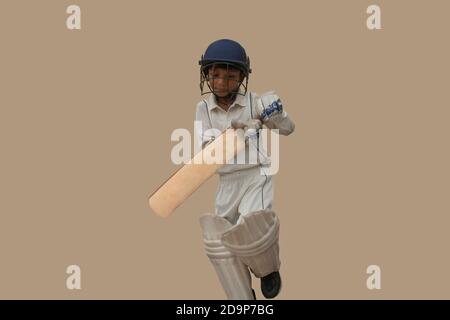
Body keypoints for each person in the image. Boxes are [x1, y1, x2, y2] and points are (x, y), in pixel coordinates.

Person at [195, 39, 295, 299]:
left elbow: (288, 129)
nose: (221, 82)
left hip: (255, 176)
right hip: (227, 181)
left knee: (253, 226)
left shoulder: (255, 102)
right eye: (215, 75)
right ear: (206, 75)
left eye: (230, 76)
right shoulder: (203, 109)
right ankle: (240, 294)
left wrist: (277, 114)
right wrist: (236, 131)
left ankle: (268, 269)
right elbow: (206, 148)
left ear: (242, 76)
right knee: (219, 239)